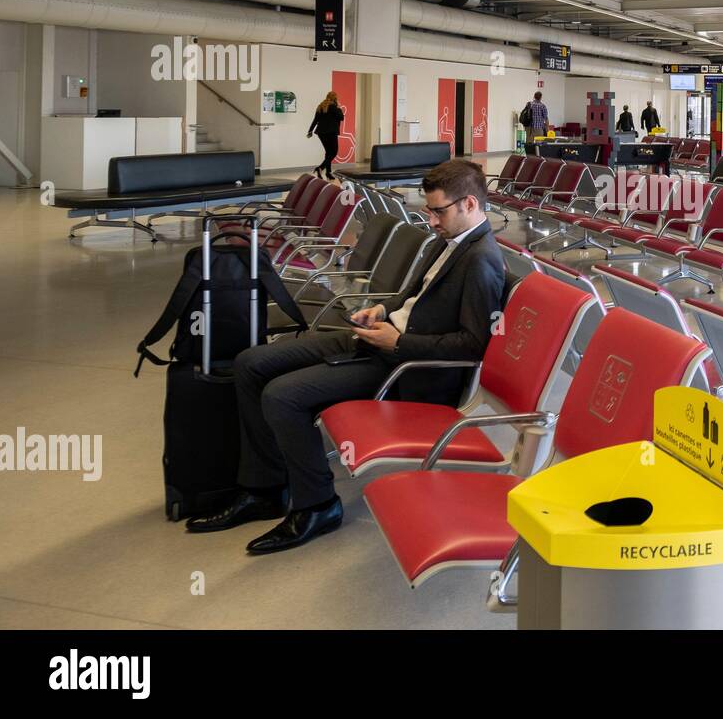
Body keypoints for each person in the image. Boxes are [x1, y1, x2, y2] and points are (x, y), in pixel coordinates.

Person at [184, 160, 506, 554]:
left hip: (406, 368)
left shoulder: (481, 260)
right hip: (381, 340)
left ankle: (317, 506)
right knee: (251, 363)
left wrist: (397, 344)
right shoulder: (449, 240)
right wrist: (382, 311)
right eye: (429, 210)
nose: (431, 219)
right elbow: (414, 297)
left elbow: (474, 347)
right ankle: (264, 488)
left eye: (437, 211)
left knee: (282, 396)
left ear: (469, 204)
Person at [307, 92, 344, 179]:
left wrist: (310, 131)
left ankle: (328, 173)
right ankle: (320, 168)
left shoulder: (321, 106)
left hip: (321, 133)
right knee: (334, 152)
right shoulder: (334, 107)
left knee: (328, 152)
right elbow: (341, 117)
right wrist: (339, 107)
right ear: (335, 98)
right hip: (331, 132)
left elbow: (315, 120)